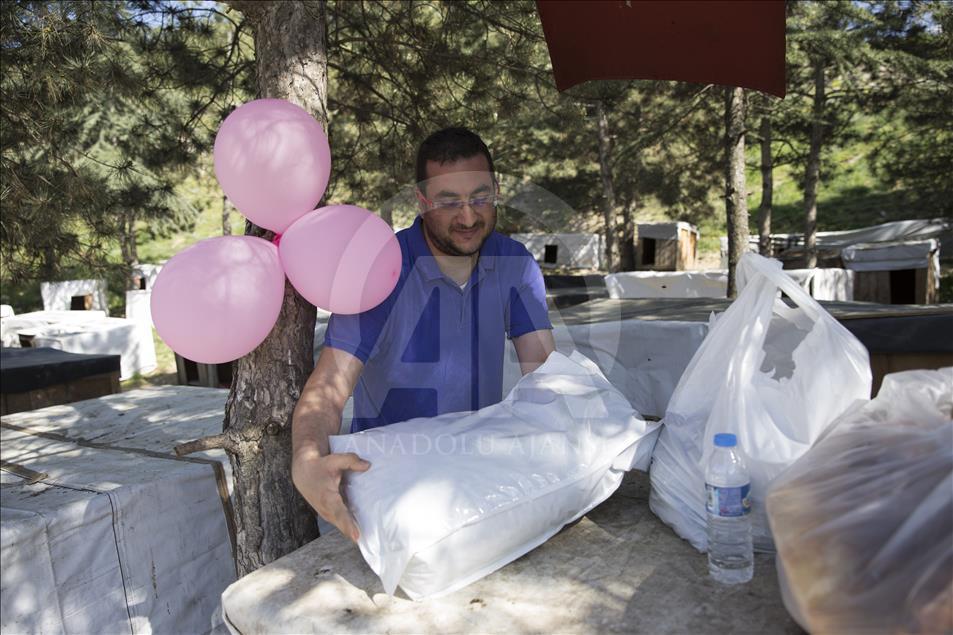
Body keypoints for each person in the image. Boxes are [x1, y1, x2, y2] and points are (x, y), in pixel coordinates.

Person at [291, 127, 556, 541]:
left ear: (497, 189)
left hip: (477, 475)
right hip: (391, 484)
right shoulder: (379, 269)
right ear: (421, 200)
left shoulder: (515, 263)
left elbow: (543, 375)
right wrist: (307, 459)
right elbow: (328, 385)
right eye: (449, 202)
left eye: (481, 198)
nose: (468, 217)